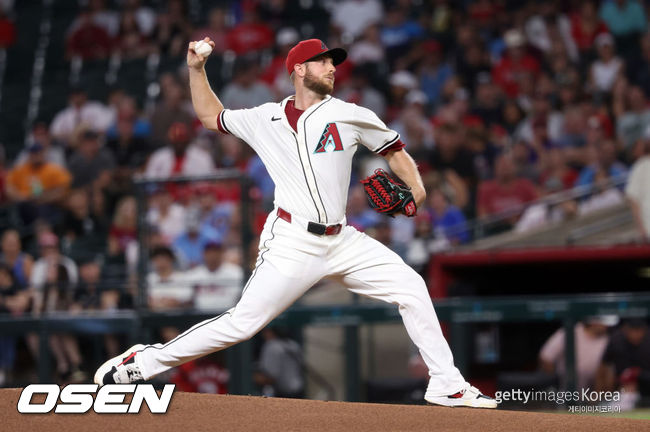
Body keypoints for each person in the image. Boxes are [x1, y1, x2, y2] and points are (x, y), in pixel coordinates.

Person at [95, 37, 496, 408]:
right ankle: (144, 362)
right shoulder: (264, 118)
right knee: (242, 324)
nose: (332, 68)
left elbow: (395, 151)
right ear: (299, 69)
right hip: (292, 241)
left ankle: (447, 382)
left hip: (343, 240)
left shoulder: (349, 113)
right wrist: (197, 70)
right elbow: (209, 116)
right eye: (322, 62)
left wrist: (418, 192)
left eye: (333, 62)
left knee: (411, 287)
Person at [539, 317, 615, 390]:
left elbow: (608, 371)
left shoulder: (608, 339)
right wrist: (557, 381)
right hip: (566, 390)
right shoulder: (571, 331)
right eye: (603, 322)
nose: (607, 325)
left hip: (593, 394)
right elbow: (546, 357)